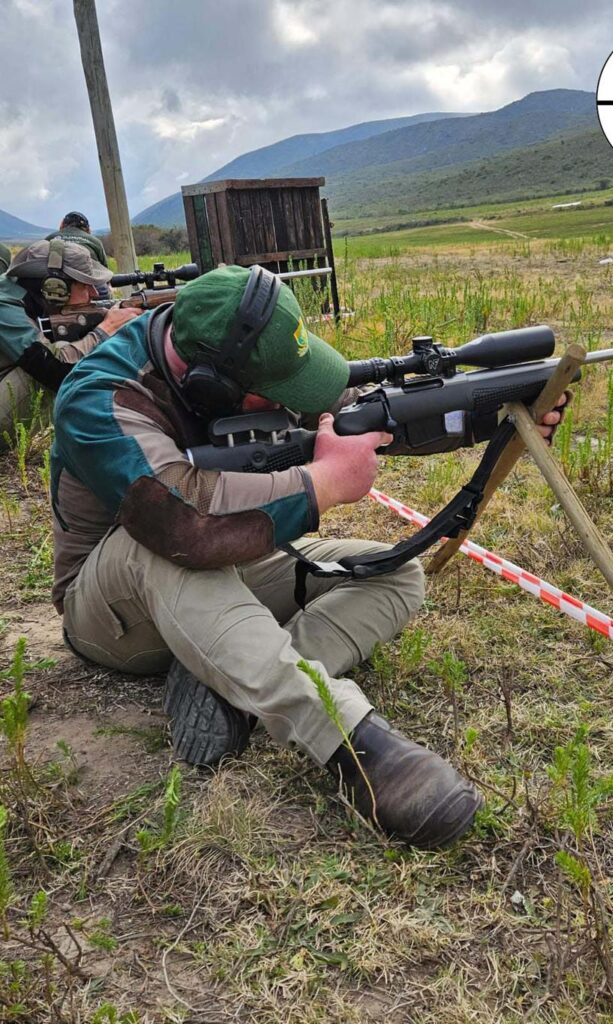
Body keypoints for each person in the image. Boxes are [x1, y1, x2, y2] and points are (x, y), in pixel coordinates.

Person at [51, 265, 566, 849]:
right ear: (212, 384)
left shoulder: (235, 347)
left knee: (394, 574)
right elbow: (181, 524)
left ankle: (231, 685)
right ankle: (353, 744)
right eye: (277, 392)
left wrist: (490, 417)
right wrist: (323, 483)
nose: (289, 402)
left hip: (225, 565)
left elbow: (358, 417)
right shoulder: (98, 397)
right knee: (164, 545)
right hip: (113, 608)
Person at [0, 239, 139, 442]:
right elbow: (55, 369)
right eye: (85, 285)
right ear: (55, 288)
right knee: (56, 364)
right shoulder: (4, 304)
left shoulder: (23, 295)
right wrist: (106, 329)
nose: (93, 293)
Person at [46, 212, 110, 299]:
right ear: (88, 229)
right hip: (90, 285)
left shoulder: (50, 238)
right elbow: (105, 271)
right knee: (104, 294)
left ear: (62, 225)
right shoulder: (94, 241)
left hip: (55, 286)